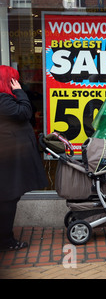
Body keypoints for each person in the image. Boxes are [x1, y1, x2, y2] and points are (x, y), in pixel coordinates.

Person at [0, 65, 48, 251]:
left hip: (9, 159)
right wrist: (20, 92)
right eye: (15, 80)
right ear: (9, 81)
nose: (18, 82)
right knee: (8, 200)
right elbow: (25, 113)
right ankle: (6, 241)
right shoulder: (4, 99)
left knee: (8, 199)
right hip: (8, 162)